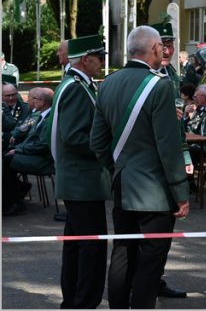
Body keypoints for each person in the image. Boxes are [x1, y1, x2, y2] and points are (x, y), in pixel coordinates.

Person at [90, 25, 189, 309]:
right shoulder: (160, 85)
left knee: (123, 251)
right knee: (152, 258)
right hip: (155, 190)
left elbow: (97, 141)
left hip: (122, 183)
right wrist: (181, 192)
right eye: (161, 46)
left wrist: (117, 168)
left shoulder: (108, 83)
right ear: (155, 48)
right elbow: (168, 146)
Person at [48, 34, 111, 309]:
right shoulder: (75, 87)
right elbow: (74, 136)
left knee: (76, 244)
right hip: (82, 180)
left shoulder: (77, 83)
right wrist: (107, 147)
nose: (102, 62)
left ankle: (74, 300)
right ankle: (83, 301)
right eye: (100, 57)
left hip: (80, 179)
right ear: (86, 59)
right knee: (91, 246)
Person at [150, 22, 192, 299]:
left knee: (165, 230)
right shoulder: (148, 75)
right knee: (150, 232)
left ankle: (156, 278)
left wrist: (185, 155)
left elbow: (177, 126)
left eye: (170, 45)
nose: (167, 50)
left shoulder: (172, 74)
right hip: (151, 163)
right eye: (162, 45)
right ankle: (143, 284)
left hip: (172, 155)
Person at [3, 87, 54, 216]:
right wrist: (16, 149)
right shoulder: (40, 114)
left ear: (42, 102)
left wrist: (18, 149)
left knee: (4, 160)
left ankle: (14, 201)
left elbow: (42, 145)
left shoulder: (48, 118)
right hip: (34, 154)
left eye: (32, 98)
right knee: (4, 157)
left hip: (43, 160)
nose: (28, 100)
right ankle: (17, 191)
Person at [3, 82, 29, 149]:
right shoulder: (2, 108)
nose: (11, 98)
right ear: (2, 96)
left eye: (13, 95)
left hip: (18, 146)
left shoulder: (27, 108)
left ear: (17, 94)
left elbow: (28, 126)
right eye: (7, 96)